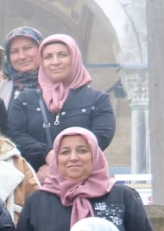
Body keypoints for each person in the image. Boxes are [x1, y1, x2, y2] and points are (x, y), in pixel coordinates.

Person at [18, 127, 158, 231]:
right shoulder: (37, 202)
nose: (73, 158)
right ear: (55, 159)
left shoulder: (122, 197)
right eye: (65, 152)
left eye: (82, 150)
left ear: (95, 155)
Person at [8, 34, 115, 171]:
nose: (55, 62)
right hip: (36, 180)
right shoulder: (25, 99)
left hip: (83, 177)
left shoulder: (97, 99)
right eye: (48, 57)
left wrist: (60, 163)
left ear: (75, 58)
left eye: (63, 55)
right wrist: (46, 155)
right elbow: (15, 135)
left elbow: (100, 137)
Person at [0, 26, 44, 106]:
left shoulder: (60, 86)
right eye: (14, 51)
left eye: (27, 48)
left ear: (41, 49)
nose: (22, 56)